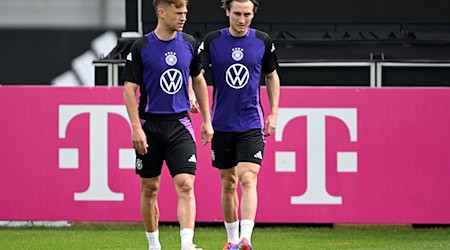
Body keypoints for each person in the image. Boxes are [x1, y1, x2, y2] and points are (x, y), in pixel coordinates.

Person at [121, 0, 213, 249]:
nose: (183, 17)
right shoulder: (142, 46)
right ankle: (154, 245)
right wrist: (135, 127)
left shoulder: (190, 44)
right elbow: (129, 90)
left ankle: (187, 244)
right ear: (162, 12)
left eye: (185, 12)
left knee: (185, 183)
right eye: (178, 12)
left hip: (180, 124)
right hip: (149, 126)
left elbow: (198, 81)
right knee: (150, 188)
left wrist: (206, 120)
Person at [198, 0, 280, 249]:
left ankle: (246, 238)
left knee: (247, 177)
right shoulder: (212, 41)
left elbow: (272, 76)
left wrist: (274, 112)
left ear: (253, 14)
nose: (242, 19)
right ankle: (232, 240)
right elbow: (196, 74)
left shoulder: (262, 41)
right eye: (237, 14)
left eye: (247, 14)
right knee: (228, 182)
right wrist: (197, 105)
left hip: (251, 122)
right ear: (227, 12)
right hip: (222, 123)